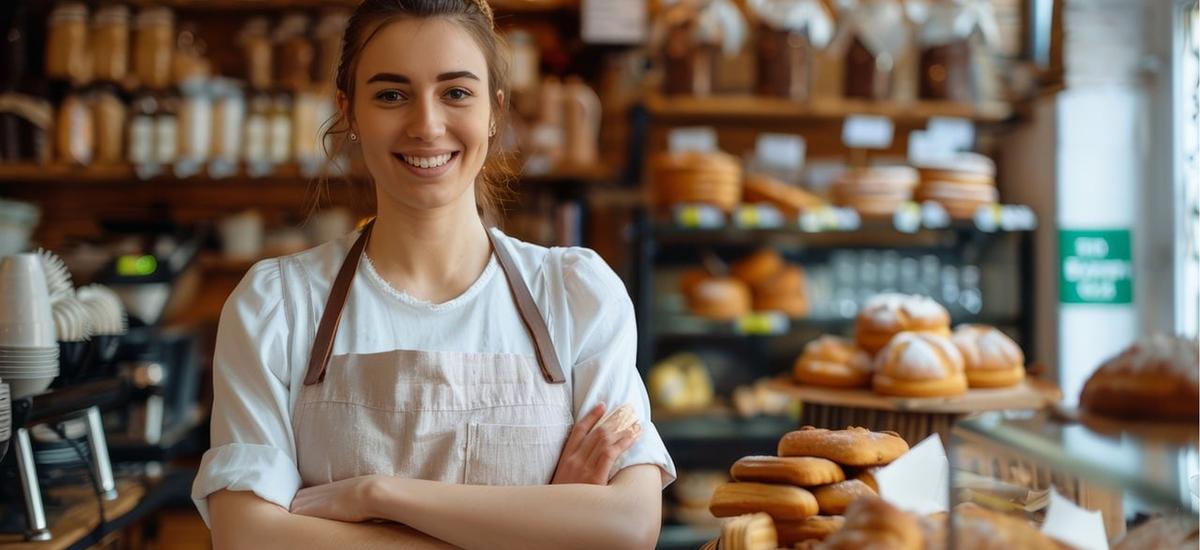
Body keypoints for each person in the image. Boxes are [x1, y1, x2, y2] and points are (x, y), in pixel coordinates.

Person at [189, 1, 676, 548]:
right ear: (349, 112)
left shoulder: (576, 296)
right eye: (391, 95)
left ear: (493, 111)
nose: (426, 125)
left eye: (456, 92)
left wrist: (376, 495)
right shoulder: (278, 304)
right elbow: (246, 536)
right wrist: (539, 528)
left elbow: (629, 526)